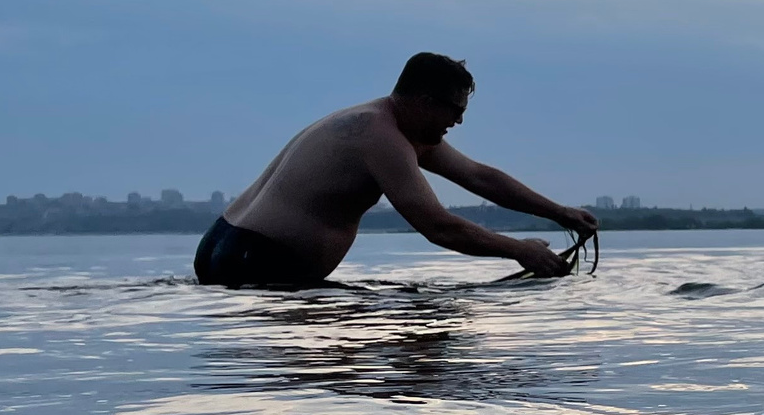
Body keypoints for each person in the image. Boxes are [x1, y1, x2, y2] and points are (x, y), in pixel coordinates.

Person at [195, 53, 597, 287]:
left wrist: (559, 212)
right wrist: (520, 251)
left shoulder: (396, 129)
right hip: (255, 259)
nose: (457, 122)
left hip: (228, 246)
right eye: (454, 111)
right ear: (423, 101)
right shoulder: (377, 136)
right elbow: (437, 226)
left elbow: (478, 176)